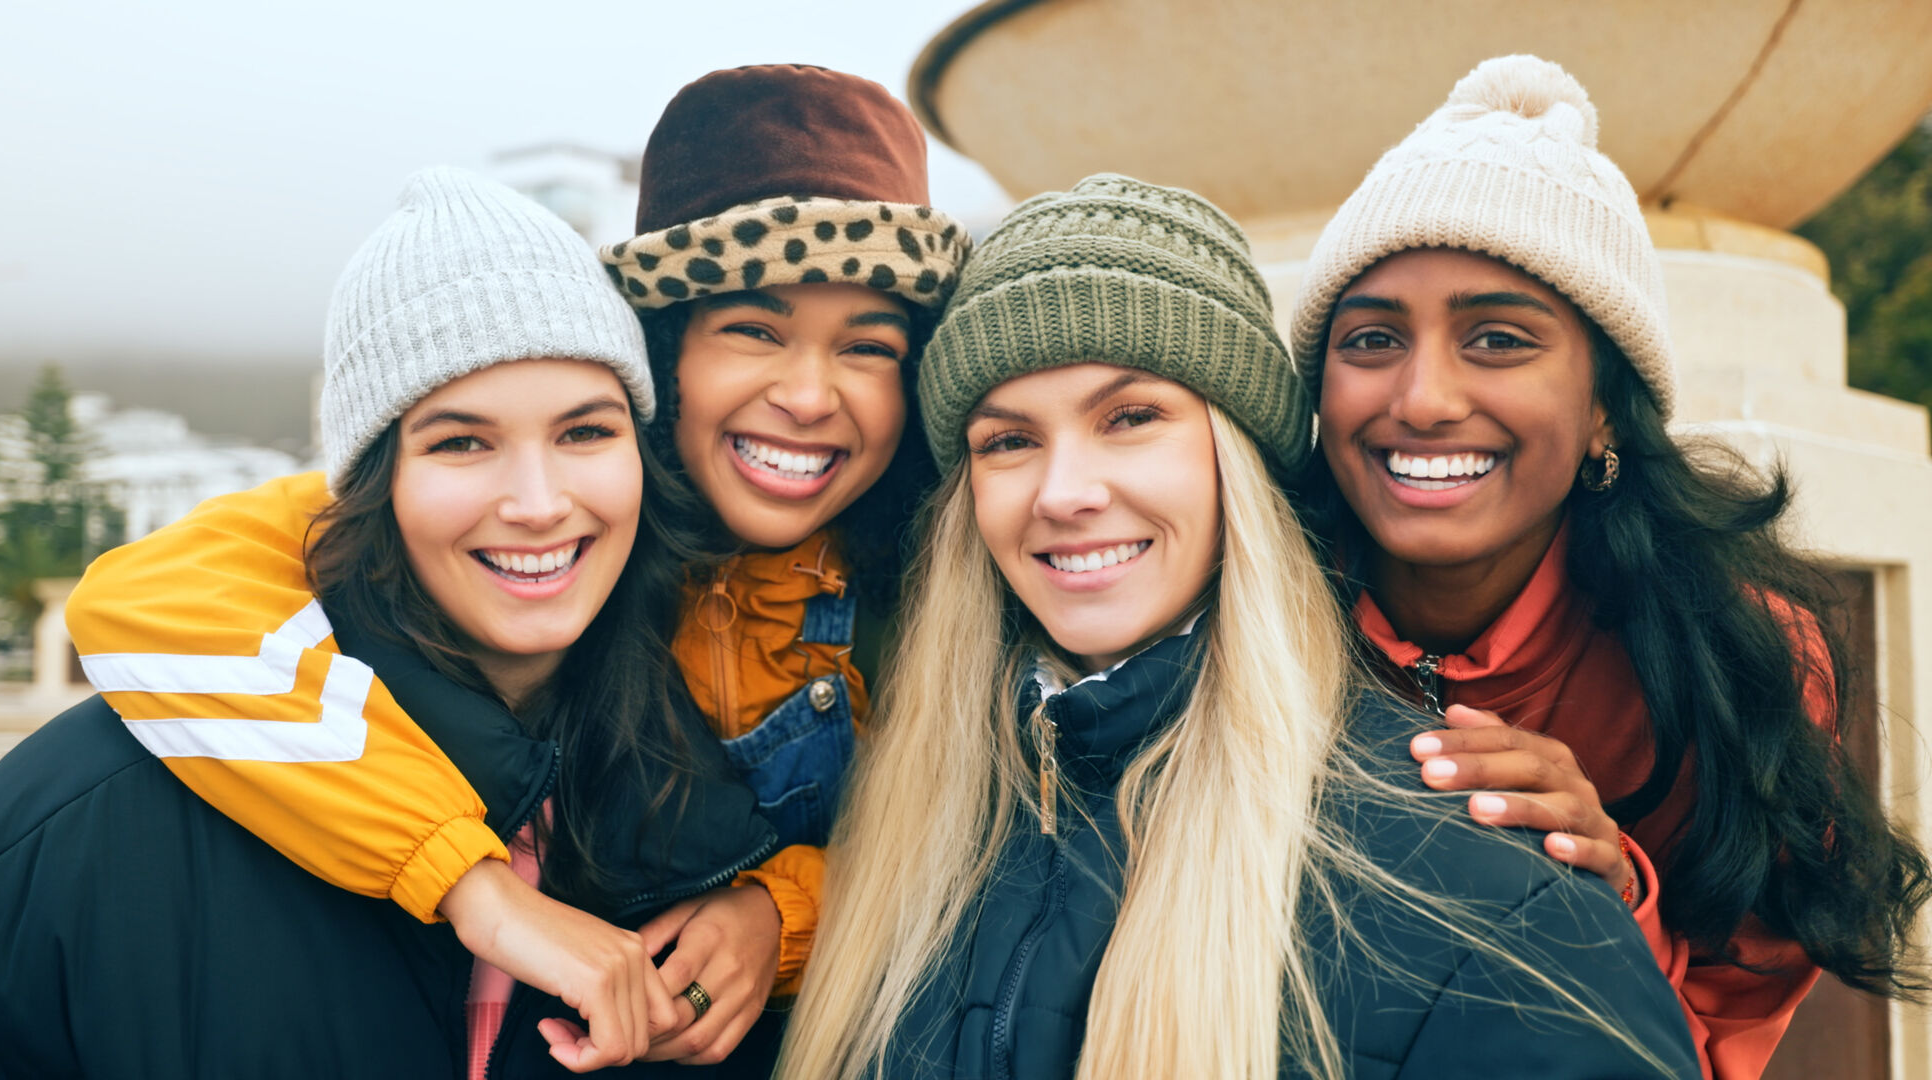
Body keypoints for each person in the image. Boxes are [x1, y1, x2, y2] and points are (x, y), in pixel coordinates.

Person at [57, 64, 968, 1062]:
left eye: (866, 347)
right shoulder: (549, 531)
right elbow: (152, 596)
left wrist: (780, 914)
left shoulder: (942, 582)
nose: (806, 394)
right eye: (754, 330)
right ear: (666, 356)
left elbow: (989, 850)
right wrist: (471, 883)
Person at [775, 174, 1698, 1079]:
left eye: (1132, 417)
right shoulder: (909, 836)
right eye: (1008, 441)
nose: (1063, 494)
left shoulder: (1481, 880)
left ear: (1237, 462)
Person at [0, 168, 780, 1078]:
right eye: (461, 442)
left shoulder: (714, 811)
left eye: (586, 431)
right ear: (370, 486)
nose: (538, 502)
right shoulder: (99, 808)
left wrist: (782, 909)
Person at [1286, 54, 1930, 1078]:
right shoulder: (1241, 608)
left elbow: (1717, 1046)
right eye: (1369, 339)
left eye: (1495, 338)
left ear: (1600, 409)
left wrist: (1603, 894)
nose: (1420, 399)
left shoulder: (1733, 655)